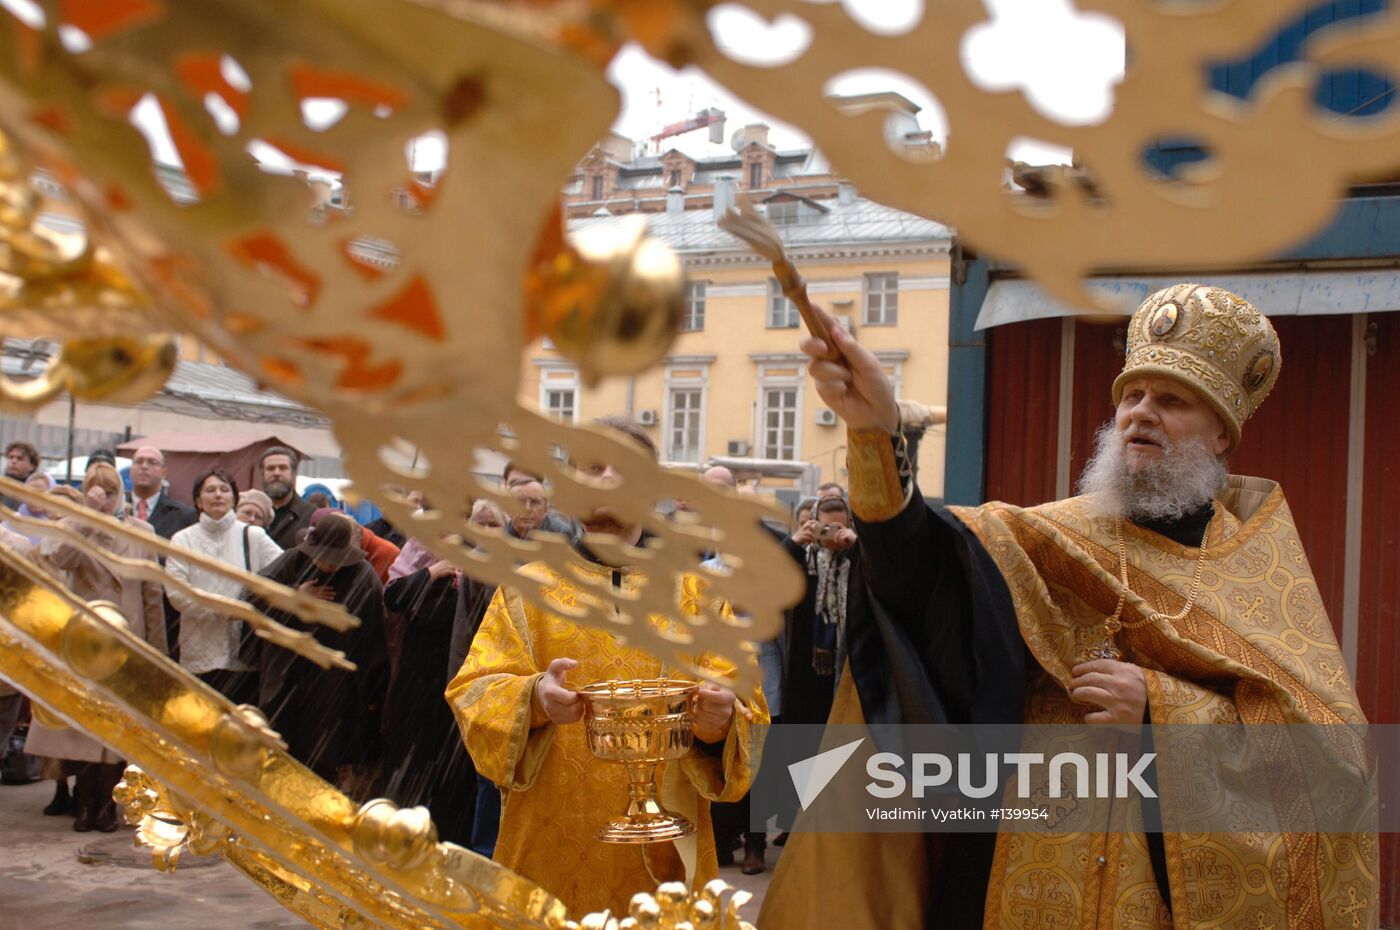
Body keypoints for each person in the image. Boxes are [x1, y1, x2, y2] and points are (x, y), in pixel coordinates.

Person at [760, 284, 1373, 928]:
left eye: (1170, 400)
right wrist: (876, 434)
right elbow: (920, 575)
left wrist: (1160, 707)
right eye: (1131, 395)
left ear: (1221, 432)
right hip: (1016, 858)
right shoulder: (1041, 538)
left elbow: (1334, 766)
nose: (1140, 412)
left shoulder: (1256, 571)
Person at [447, 417, 767, 915]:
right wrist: (531, 698)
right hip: (552, 838)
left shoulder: (698, 594)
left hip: (667, 845)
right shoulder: (527, 588)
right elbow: (472, 689)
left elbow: (747, 702)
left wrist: (722, 723)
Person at [25, 462, 165, 832]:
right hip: (85, 644)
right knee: (86, 730)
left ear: (120, 491)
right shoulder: (72, 526)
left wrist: (158, 655)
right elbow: (58, 559)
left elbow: (152, 595)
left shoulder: (142, 532)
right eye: (94, 487)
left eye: (108, 488)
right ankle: (84, 802)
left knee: (118, 731)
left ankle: (107, 803)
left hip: (127, 641)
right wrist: (87, 516)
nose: (102, 494)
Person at [380, 499, 504, 846]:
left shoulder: (478, 561)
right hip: (417, 676)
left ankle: (449, 841)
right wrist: (432, 573)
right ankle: (407, 836)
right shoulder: (418, 553)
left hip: (459, 672)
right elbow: (394, 598)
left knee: (455, 769)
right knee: (412, 760)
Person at [249, 509, 387, 788]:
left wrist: (370, 694)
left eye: (334, 560)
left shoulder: (364, 577)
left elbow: (372, 642)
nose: (327, 565)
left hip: (333, 687)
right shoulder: (293, 561)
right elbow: (253, 598)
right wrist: (293, 598)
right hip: (285, 676)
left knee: (322, 767)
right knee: (278, 755)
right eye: (322, 558)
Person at [166, 468, 283, 705]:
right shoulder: (183, 539)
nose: (218, 495)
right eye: (209, 490)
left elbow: (284, 573)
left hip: (246, 654)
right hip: (198, 653)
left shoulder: (253, 536)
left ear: (234, 498)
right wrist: (221, 610)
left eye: (224, 489)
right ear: (198, 501)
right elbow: (177, 593)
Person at [127, 446, 197, 537]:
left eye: (152, 462)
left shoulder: (183, 515)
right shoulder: (115, 506)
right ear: (130, 470)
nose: (144, 466)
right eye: (139, 462)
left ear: (164, 473)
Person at [259, 446, 315, 549]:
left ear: (294, 474)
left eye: (283, 468)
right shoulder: (249, 512)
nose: (276, 473)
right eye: (270, 468)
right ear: (263, 475)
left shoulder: (311, 516)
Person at [3, 441, 39, 508]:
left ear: (32, 466)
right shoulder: (2, 485)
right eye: (11, 457)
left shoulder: (36, 489)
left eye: (19, 458)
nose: (13, 461)